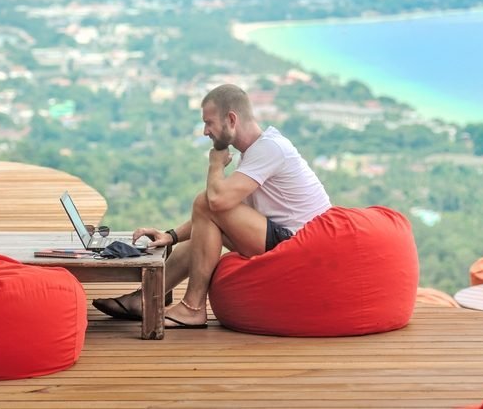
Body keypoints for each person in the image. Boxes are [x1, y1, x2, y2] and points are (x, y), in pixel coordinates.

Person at [93, 83, 333, 328]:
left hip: (301, 246)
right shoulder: (254, 153)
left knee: (206, 202)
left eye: (209, 123)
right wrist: (171, 236)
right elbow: (218, 212)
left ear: (231, 119)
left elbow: (216, 202)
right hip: (287, 238)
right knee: (205, 218)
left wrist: (215, 165)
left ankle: (192, 308)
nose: (205, 131)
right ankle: (144, 298)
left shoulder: (270, 148)